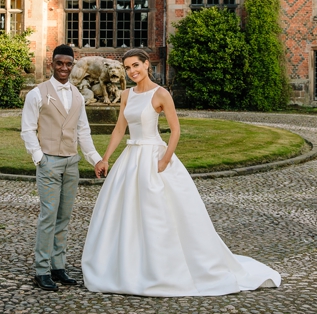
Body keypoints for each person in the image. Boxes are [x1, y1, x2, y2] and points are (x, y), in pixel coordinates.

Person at [80, 48, 281, 297]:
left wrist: (164, 160)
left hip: (154, 157)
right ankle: (128, 266)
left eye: (136, 66)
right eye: (128, 68)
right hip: (131, 158)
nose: (132, 71)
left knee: (160, 213)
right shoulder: (126, 95)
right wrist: (105, 158)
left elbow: (175, 130)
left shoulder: (161, 94)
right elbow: (120, 129)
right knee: (125, 212)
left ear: (147, 65)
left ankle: (166, 268)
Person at [21, 43, 102, 292]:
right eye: (59, 63)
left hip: (71, 162)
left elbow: (83, 131)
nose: (64, 68)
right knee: (48, 216)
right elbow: (27, 129)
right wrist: (39, 158)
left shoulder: (78, 95)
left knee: (64, 218)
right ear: (52, 64)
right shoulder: (37, 93)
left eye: (68, 64)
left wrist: (95, 159)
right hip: (49, 162)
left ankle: (58, 267)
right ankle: (42, 270)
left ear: (72, 65)